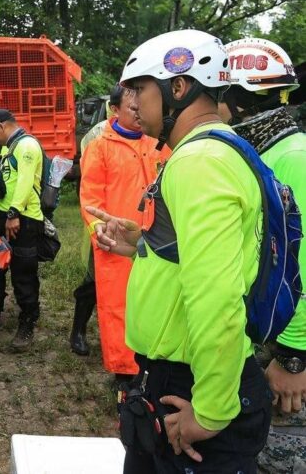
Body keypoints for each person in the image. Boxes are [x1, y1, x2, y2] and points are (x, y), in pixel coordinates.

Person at [88, 29, 272, 472]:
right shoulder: (218, 150)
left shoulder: (199, 162)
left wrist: (209, 411)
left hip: (191, 383)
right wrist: (145, 245)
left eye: (140, 89)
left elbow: (216, 298)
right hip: (181, 373)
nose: (132, 103)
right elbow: (205, 258)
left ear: (178, 87)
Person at [219, 37, 305, 473]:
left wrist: (294, 358)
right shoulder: (261, 152)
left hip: (284, 351)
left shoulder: (293, 158)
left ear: (237, 102)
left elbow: (303, 263)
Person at [79, 85, 168, 379]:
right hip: (116, 246)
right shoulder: (100, 147)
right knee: (118, 308)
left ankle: (154, 366)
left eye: (142, 108)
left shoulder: (158, 143)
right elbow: (90, 197)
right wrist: (99, 230)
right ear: (115, 110)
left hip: (157, 242)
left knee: (157, 302)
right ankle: (126, 375)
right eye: (133, 109)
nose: (140, 114)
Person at [0, 109, 45, 351]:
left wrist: (14, 213)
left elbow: (26, 181)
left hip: (23, 218)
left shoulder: (26, 145)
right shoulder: (8, 149)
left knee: (23, 274)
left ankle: (27, 325)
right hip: (2, 217)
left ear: (2, 125)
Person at [68, 101, 114, 355]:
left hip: (134, 222)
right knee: (94, 280)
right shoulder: (97, 134)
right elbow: (90, 178)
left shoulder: (147, 131)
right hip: (103, 219)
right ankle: (78, 331)